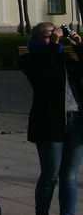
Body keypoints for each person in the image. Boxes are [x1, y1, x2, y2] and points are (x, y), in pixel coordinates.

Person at [20, 22, 83, 215]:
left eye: (55, 34)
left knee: (70, 177)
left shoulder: (63, 57)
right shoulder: (31, 59)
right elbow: (42, 75)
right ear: (37, 38)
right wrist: (54, 44)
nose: (53, 37)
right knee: (50, 175)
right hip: (50, 123)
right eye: (48, 35)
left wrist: (79, 47)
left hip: (76, 122)